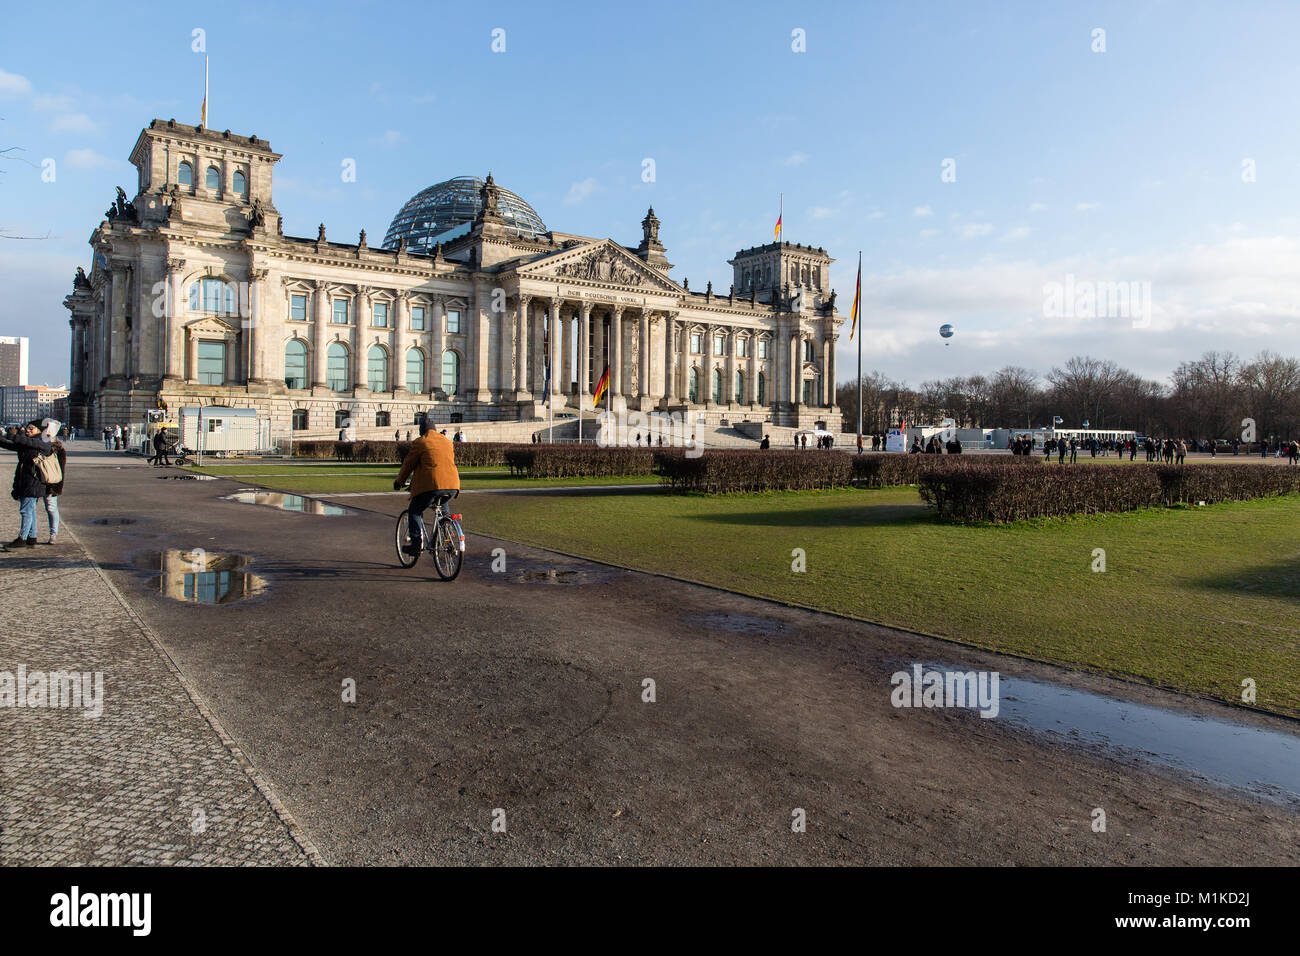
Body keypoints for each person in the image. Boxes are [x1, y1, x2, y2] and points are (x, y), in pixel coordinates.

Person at [393, 417, 461, 558]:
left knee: (415, 511)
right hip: (452, 485)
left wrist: (399, 481)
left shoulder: (421, 442)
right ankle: (446, 532)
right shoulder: (447, 442)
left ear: (421, 430)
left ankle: (416, 545)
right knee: (443, 506)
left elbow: (408, 465)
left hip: (432, 486)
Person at [1, 420, 53, 550]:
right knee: (30, 511)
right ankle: (32, 537)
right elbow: (12, 445)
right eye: (27, 428)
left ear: (40, 430)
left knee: (26, 511)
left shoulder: (43, 441)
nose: (28, 430)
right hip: (26, 481)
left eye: (31, 428)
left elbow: (26, 442)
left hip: (33, 482)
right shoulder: (29, 442)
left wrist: (11, 435)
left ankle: (22, 539)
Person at [41, 421, 65, 545]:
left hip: (51, 483)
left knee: (51, 508)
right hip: (36, 480)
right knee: (31, 508)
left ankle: (53, 533)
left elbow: (61, 469)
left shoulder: (58, 449)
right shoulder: (37, 443)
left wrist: (57, 486)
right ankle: (30, 535)